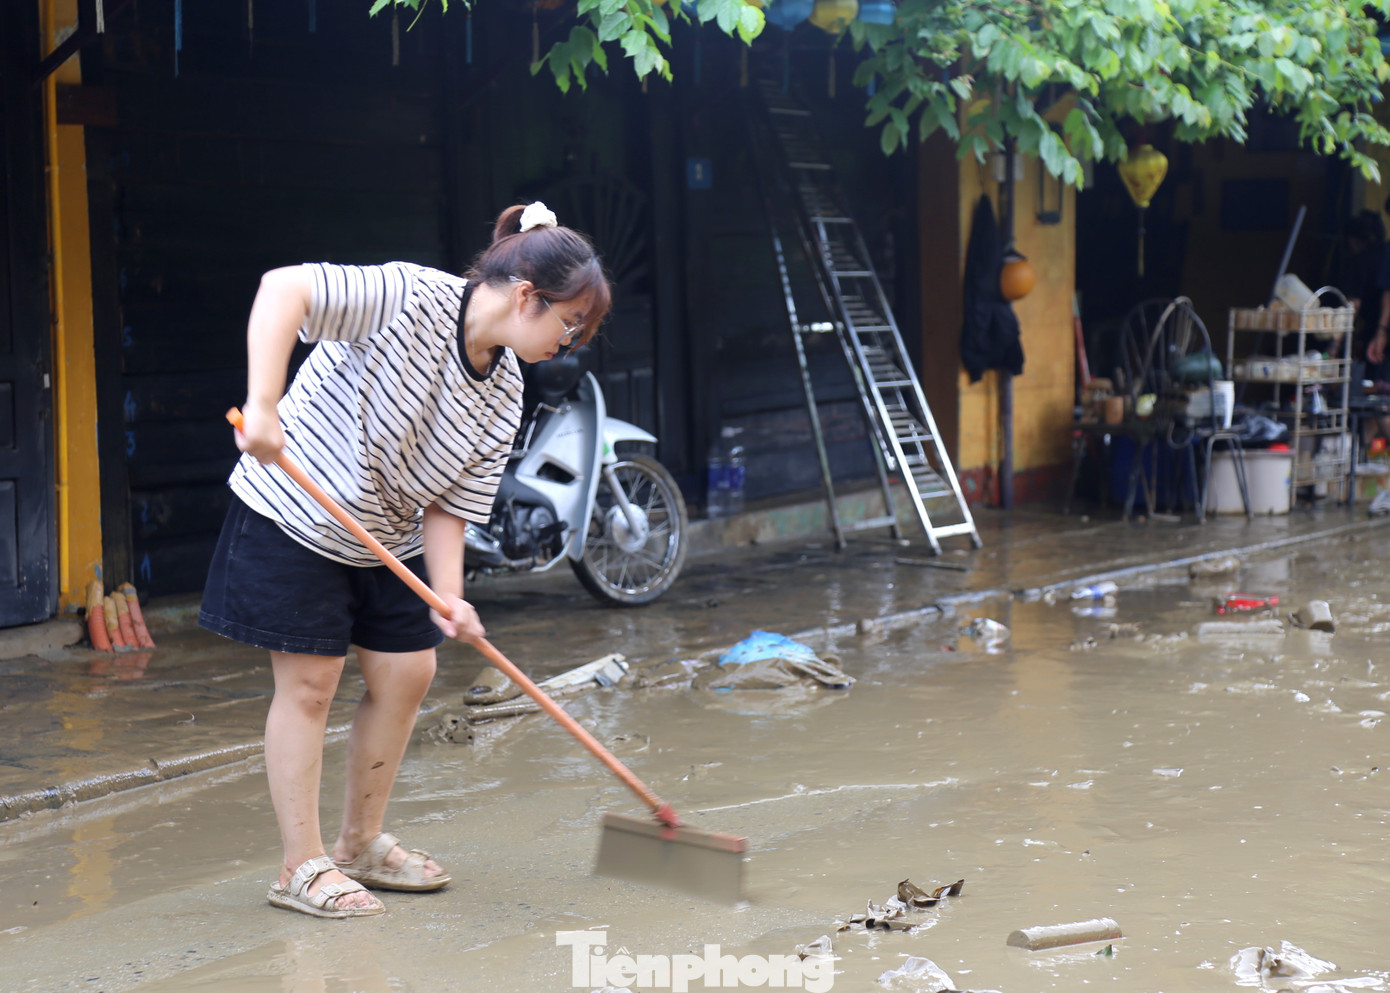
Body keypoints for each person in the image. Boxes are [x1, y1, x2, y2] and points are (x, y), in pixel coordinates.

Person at [198, 202, 611, 919]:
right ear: (526, 296)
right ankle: (300, 865)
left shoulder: (506, 390)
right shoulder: (407, 295)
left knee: (409, 670)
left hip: (386, 535)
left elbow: (450, 503)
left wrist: (449, 595)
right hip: (298, 510)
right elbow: (283, 288)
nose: (567, 344)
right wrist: (263, 404)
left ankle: (358, 842)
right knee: (311, 683)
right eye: (569, 325)